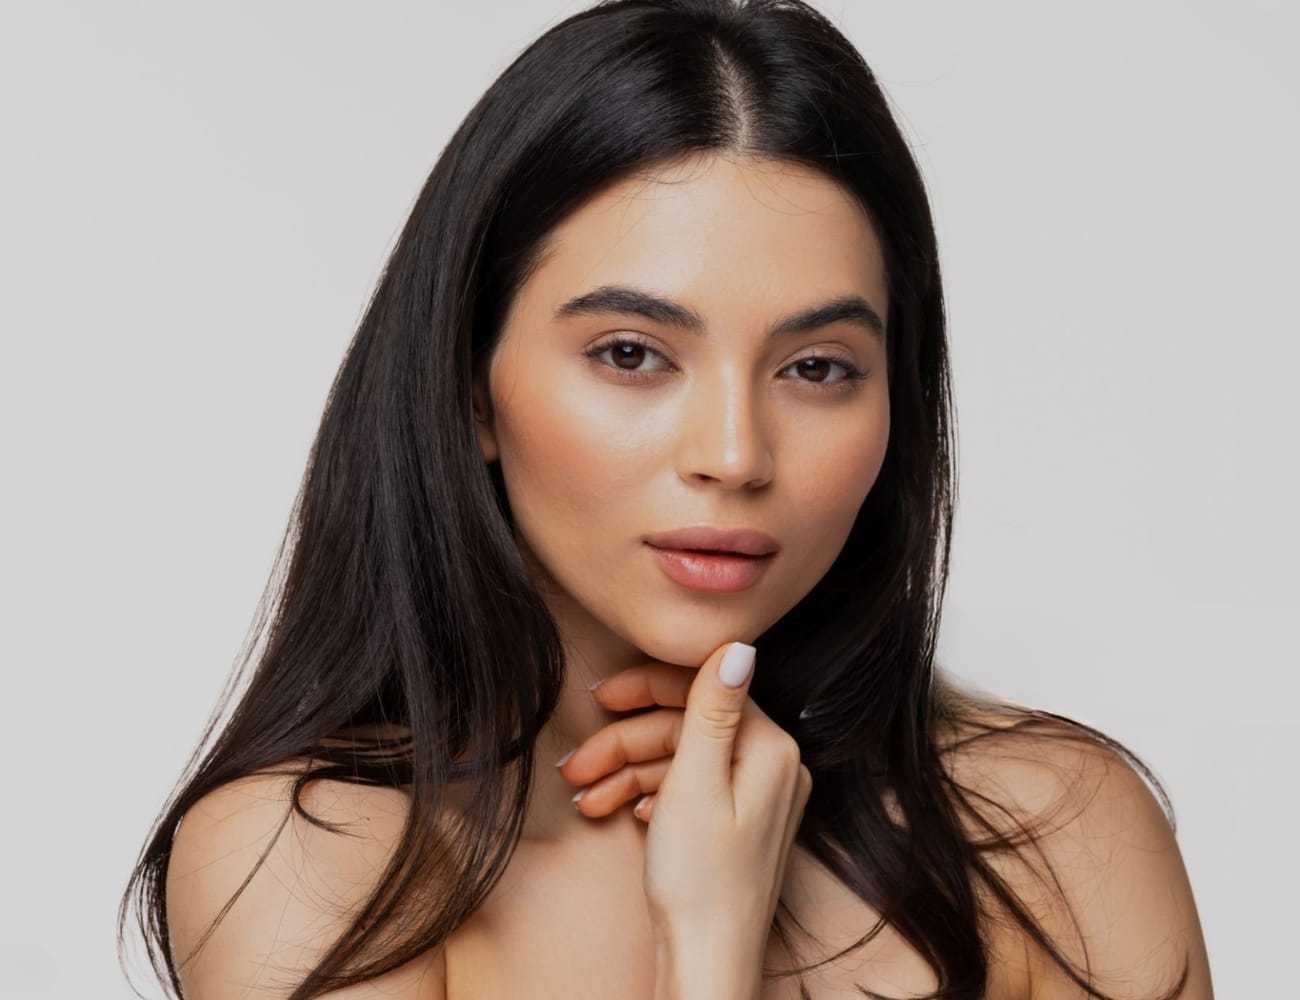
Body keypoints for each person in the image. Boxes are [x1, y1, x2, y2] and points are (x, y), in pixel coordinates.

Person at [118, 1, 1213, 997]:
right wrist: (709, 945)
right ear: (470, 389)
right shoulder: (315, 856)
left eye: (817, 367)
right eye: (632, 353)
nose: (734, 455)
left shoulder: (1053, 829)